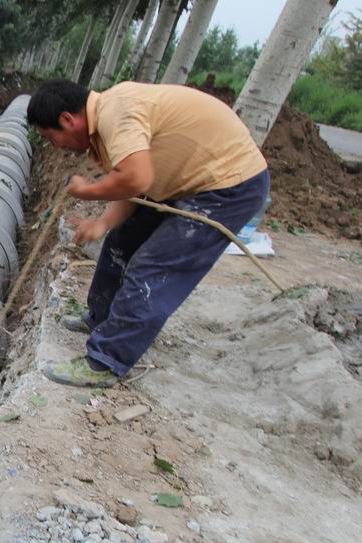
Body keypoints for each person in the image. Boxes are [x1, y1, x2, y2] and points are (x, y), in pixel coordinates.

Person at [27, 78, 270, 387]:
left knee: (153, 266)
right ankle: (100, 318)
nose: (55, 147)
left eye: (51, 138)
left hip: (228, 187)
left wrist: (88, 192)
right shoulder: (103, 127)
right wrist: (103, 224)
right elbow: (134, 186)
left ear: (67, 120)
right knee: (122, 239)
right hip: (188, 182)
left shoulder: (117, 113)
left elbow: (137, 178)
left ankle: (104, 361)